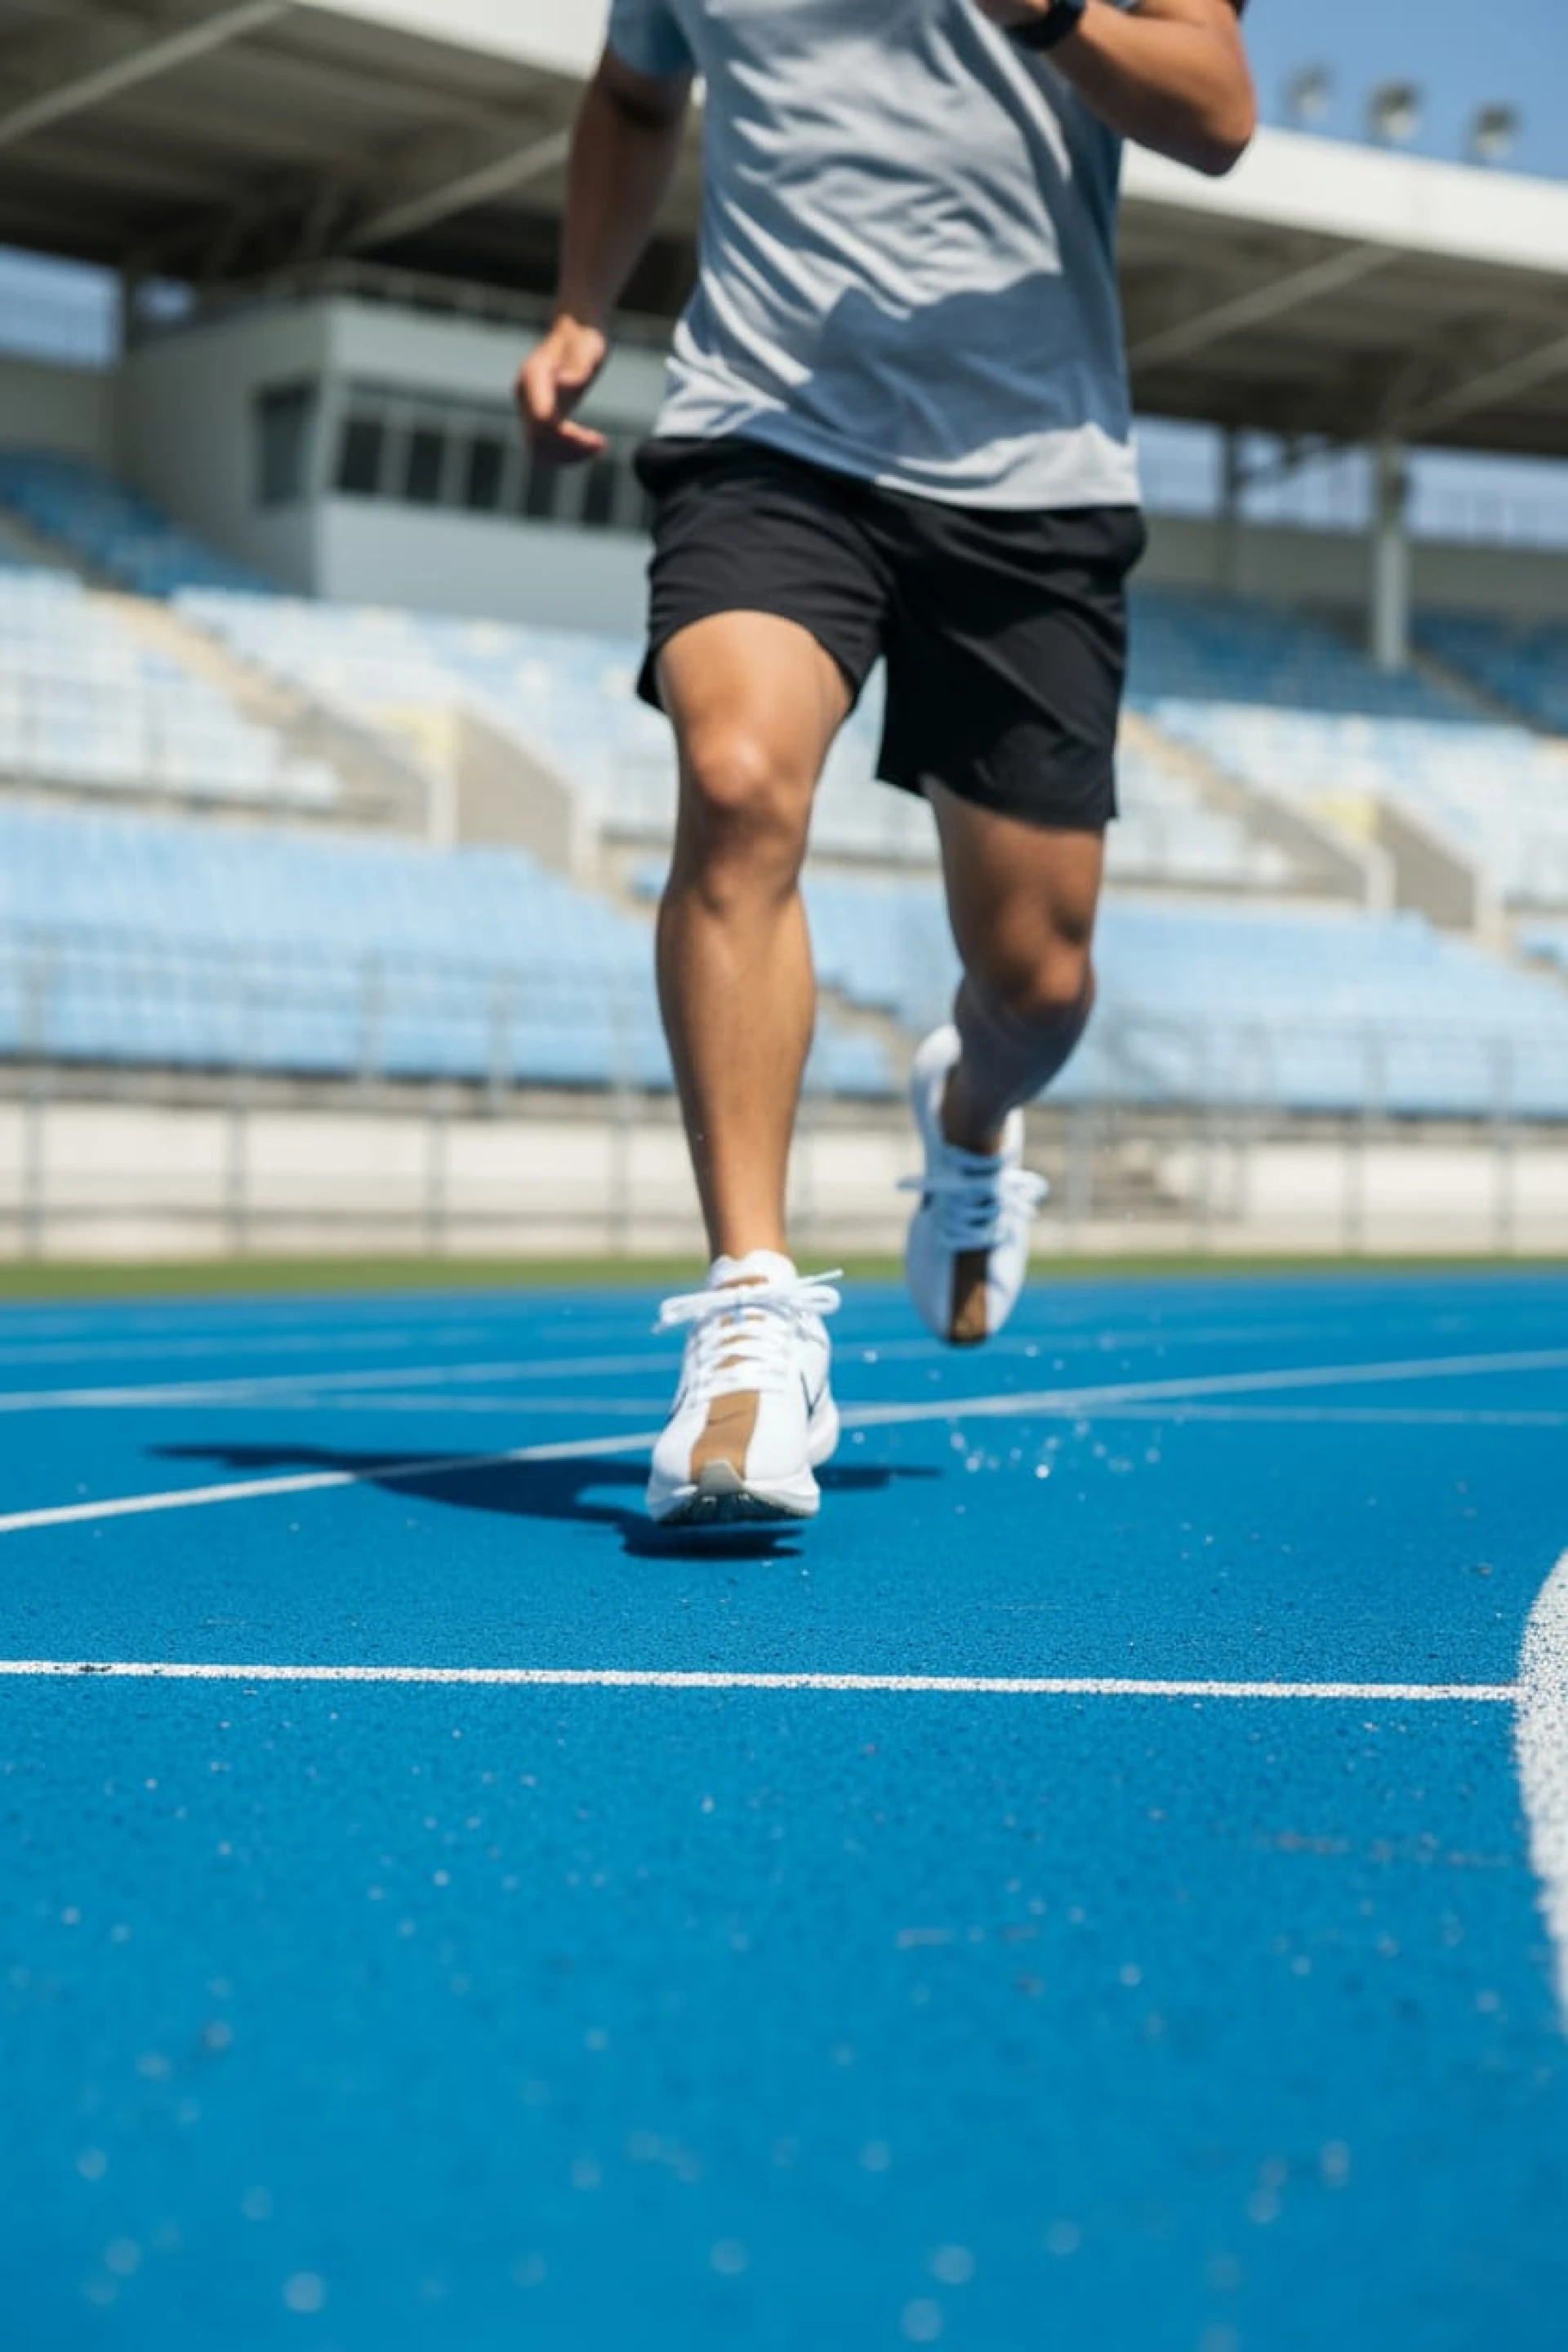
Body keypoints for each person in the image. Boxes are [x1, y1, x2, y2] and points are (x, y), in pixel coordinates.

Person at [519, 0, 1255, 1529]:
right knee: (732, 781)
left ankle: (971, 1116)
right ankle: (750, 1321)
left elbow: (1216, 110)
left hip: (1029, 485)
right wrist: (586, 299)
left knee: (1039, 985)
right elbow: (635, 96)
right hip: (766, 433)